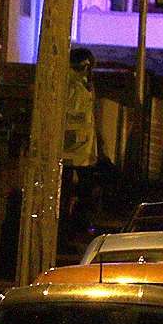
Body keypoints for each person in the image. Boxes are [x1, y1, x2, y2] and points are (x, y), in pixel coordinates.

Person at [61, 48, 100, 244]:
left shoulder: (82, 84)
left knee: (80, 191)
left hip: (81, 151)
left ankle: (75, 228)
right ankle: (68, 231)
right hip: (71, 151)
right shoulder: (72, 85)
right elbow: (75, 115)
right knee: (68, 193)